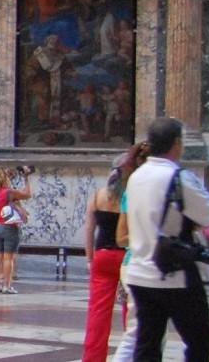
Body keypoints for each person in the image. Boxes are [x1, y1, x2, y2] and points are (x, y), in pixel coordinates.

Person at [125, 117, 209, 361]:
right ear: (177, 143)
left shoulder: (136, 176)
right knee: (200, 339)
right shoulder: (178, 176)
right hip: (173, 273)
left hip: (139, 272)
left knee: (148, 344)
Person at [84, 143, 147, 362]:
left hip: (102, 256)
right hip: (126, 257)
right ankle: (132, 355)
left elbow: (90, 229)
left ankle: (93, 358)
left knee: (98, 312)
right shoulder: (132, 196)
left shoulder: (99, 196)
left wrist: (89, 258)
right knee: (131, 311)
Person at [0, 168, 32, 294]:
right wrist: (26, 178)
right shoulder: (9, 192)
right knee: (9, 258)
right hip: (9, 227)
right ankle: (7, 286)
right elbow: (27, 194)